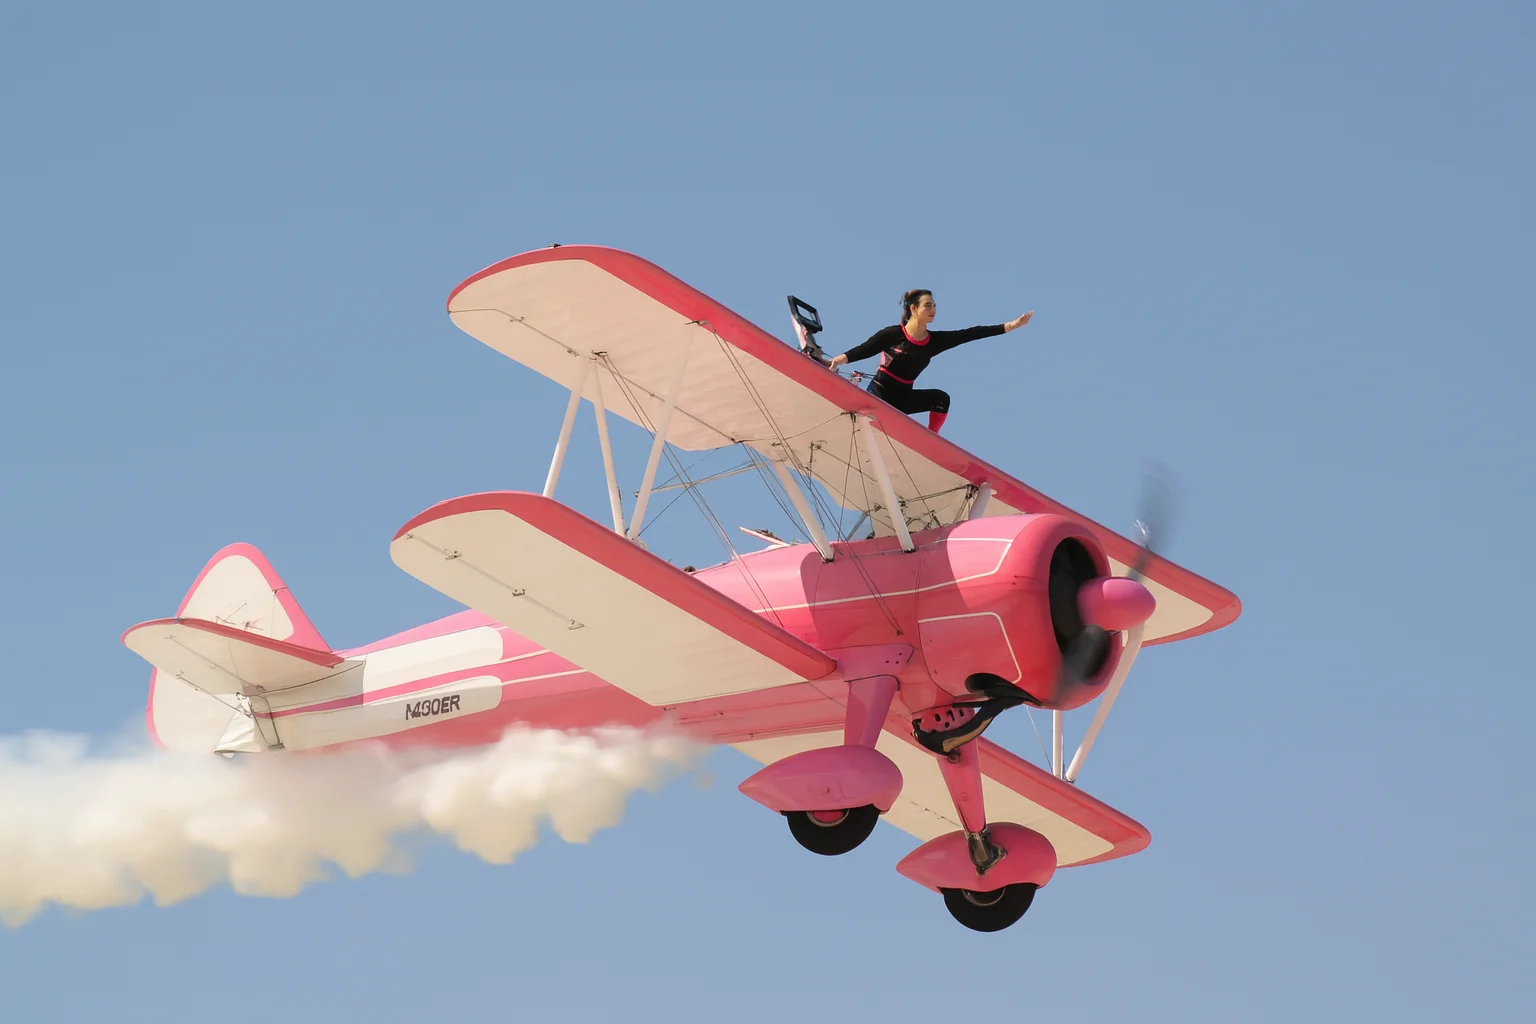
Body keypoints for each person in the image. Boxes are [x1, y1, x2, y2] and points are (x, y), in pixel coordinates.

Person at [827, 289, 1033, 433]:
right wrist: (838, 360)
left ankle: (931, 439)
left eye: (934, 305)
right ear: (914, 309)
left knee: (941, 399)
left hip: (902, 399)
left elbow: (970, 333)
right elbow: (866, 348)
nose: (933, 309)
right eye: (928, 305)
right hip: (879, 392)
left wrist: (1011, 326)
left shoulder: (934, 341)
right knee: (877, 411)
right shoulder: (892, 334)